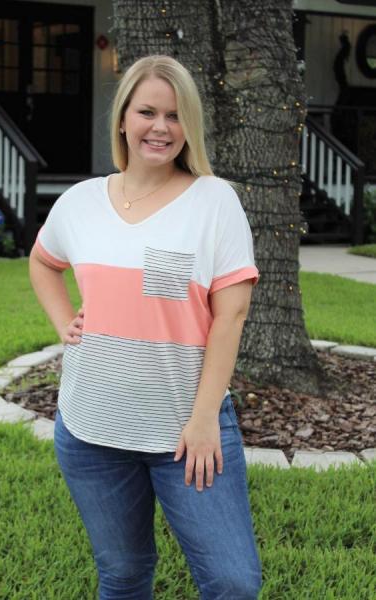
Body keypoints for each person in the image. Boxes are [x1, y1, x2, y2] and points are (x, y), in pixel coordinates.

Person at [29, 54, 262, 600]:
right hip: (89, 430)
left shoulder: (215, 201)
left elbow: (232, 315)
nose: (161, 127)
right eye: (147, 112)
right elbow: (43, 261)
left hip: (186, 432)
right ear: (123, 119)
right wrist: (65, 321)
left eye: (175, 116)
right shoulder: (80, 202)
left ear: (190, 127)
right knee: (124, 575)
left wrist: (205, 418)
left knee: (233, 583)